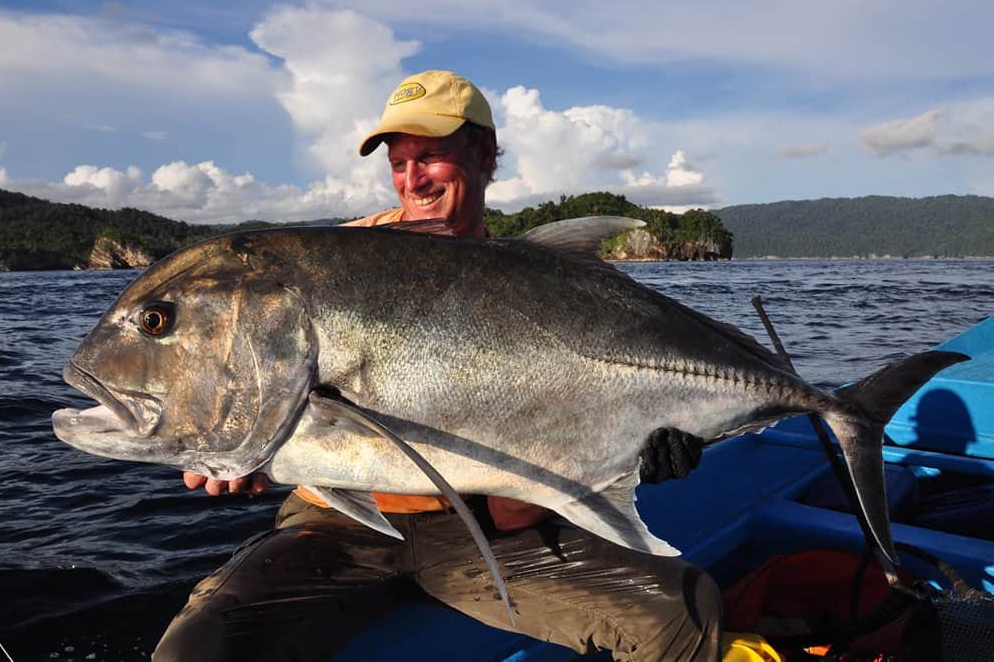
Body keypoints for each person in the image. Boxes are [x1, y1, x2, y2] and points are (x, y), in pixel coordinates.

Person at [153, 70, 722, 662]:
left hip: (482, 522)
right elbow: (253, 375)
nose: (412, 180)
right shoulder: (331, 266)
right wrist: (236, 446)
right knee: (196, 649)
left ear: (484, 153)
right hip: (339, 522)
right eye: (399, 163)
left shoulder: (535, 283)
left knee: (683, 610)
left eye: (430, 157)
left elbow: (573, 416)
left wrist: (638, 445)